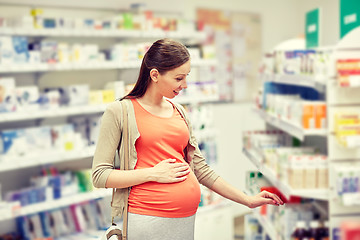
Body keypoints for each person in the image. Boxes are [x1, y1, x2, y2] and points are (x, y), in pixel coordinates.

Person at [92, 38, 283, 240]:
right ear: (155, 75)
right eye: (178, 78)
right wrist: (153, 174)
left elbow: (201, 169)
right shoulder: (120, 111)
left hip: (185, 219)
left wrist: (247, 200)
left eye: (187, 77)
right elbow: (100, 175)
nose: (185, 85)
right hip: (148, 218)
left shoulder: (179, 111)